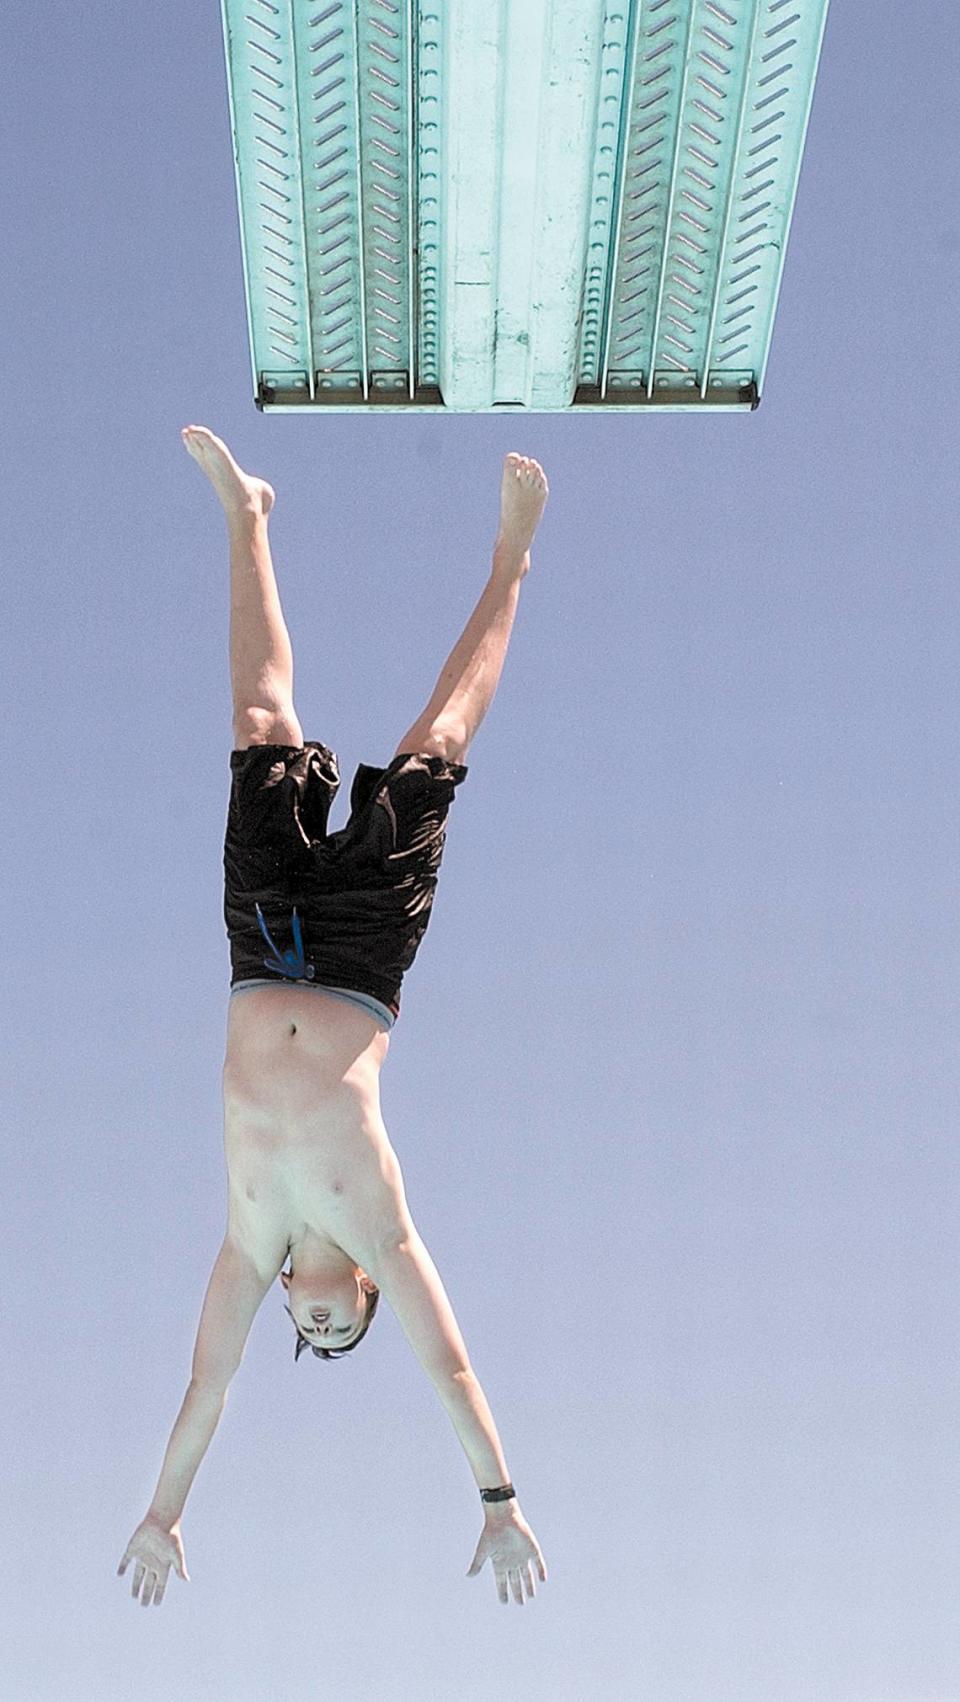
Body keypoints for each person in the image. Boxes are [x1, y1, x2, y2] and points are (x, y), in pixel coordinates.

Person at [117, 426, 549, 1610]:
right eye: (342, 1326)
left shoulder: (250, 1250)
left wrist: (165, 1512)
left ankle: (247, 516)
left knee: (261, 724)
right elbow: (449, 1367)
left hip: (263, 950)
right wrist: (498, 1500)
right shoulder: (387, 1234)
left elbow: (206, 1386)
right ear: (361, 1291)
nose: (318, 1320)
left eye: (311, 1335)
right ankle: (511, 562)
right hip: (361, 960)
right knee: (434, 751)